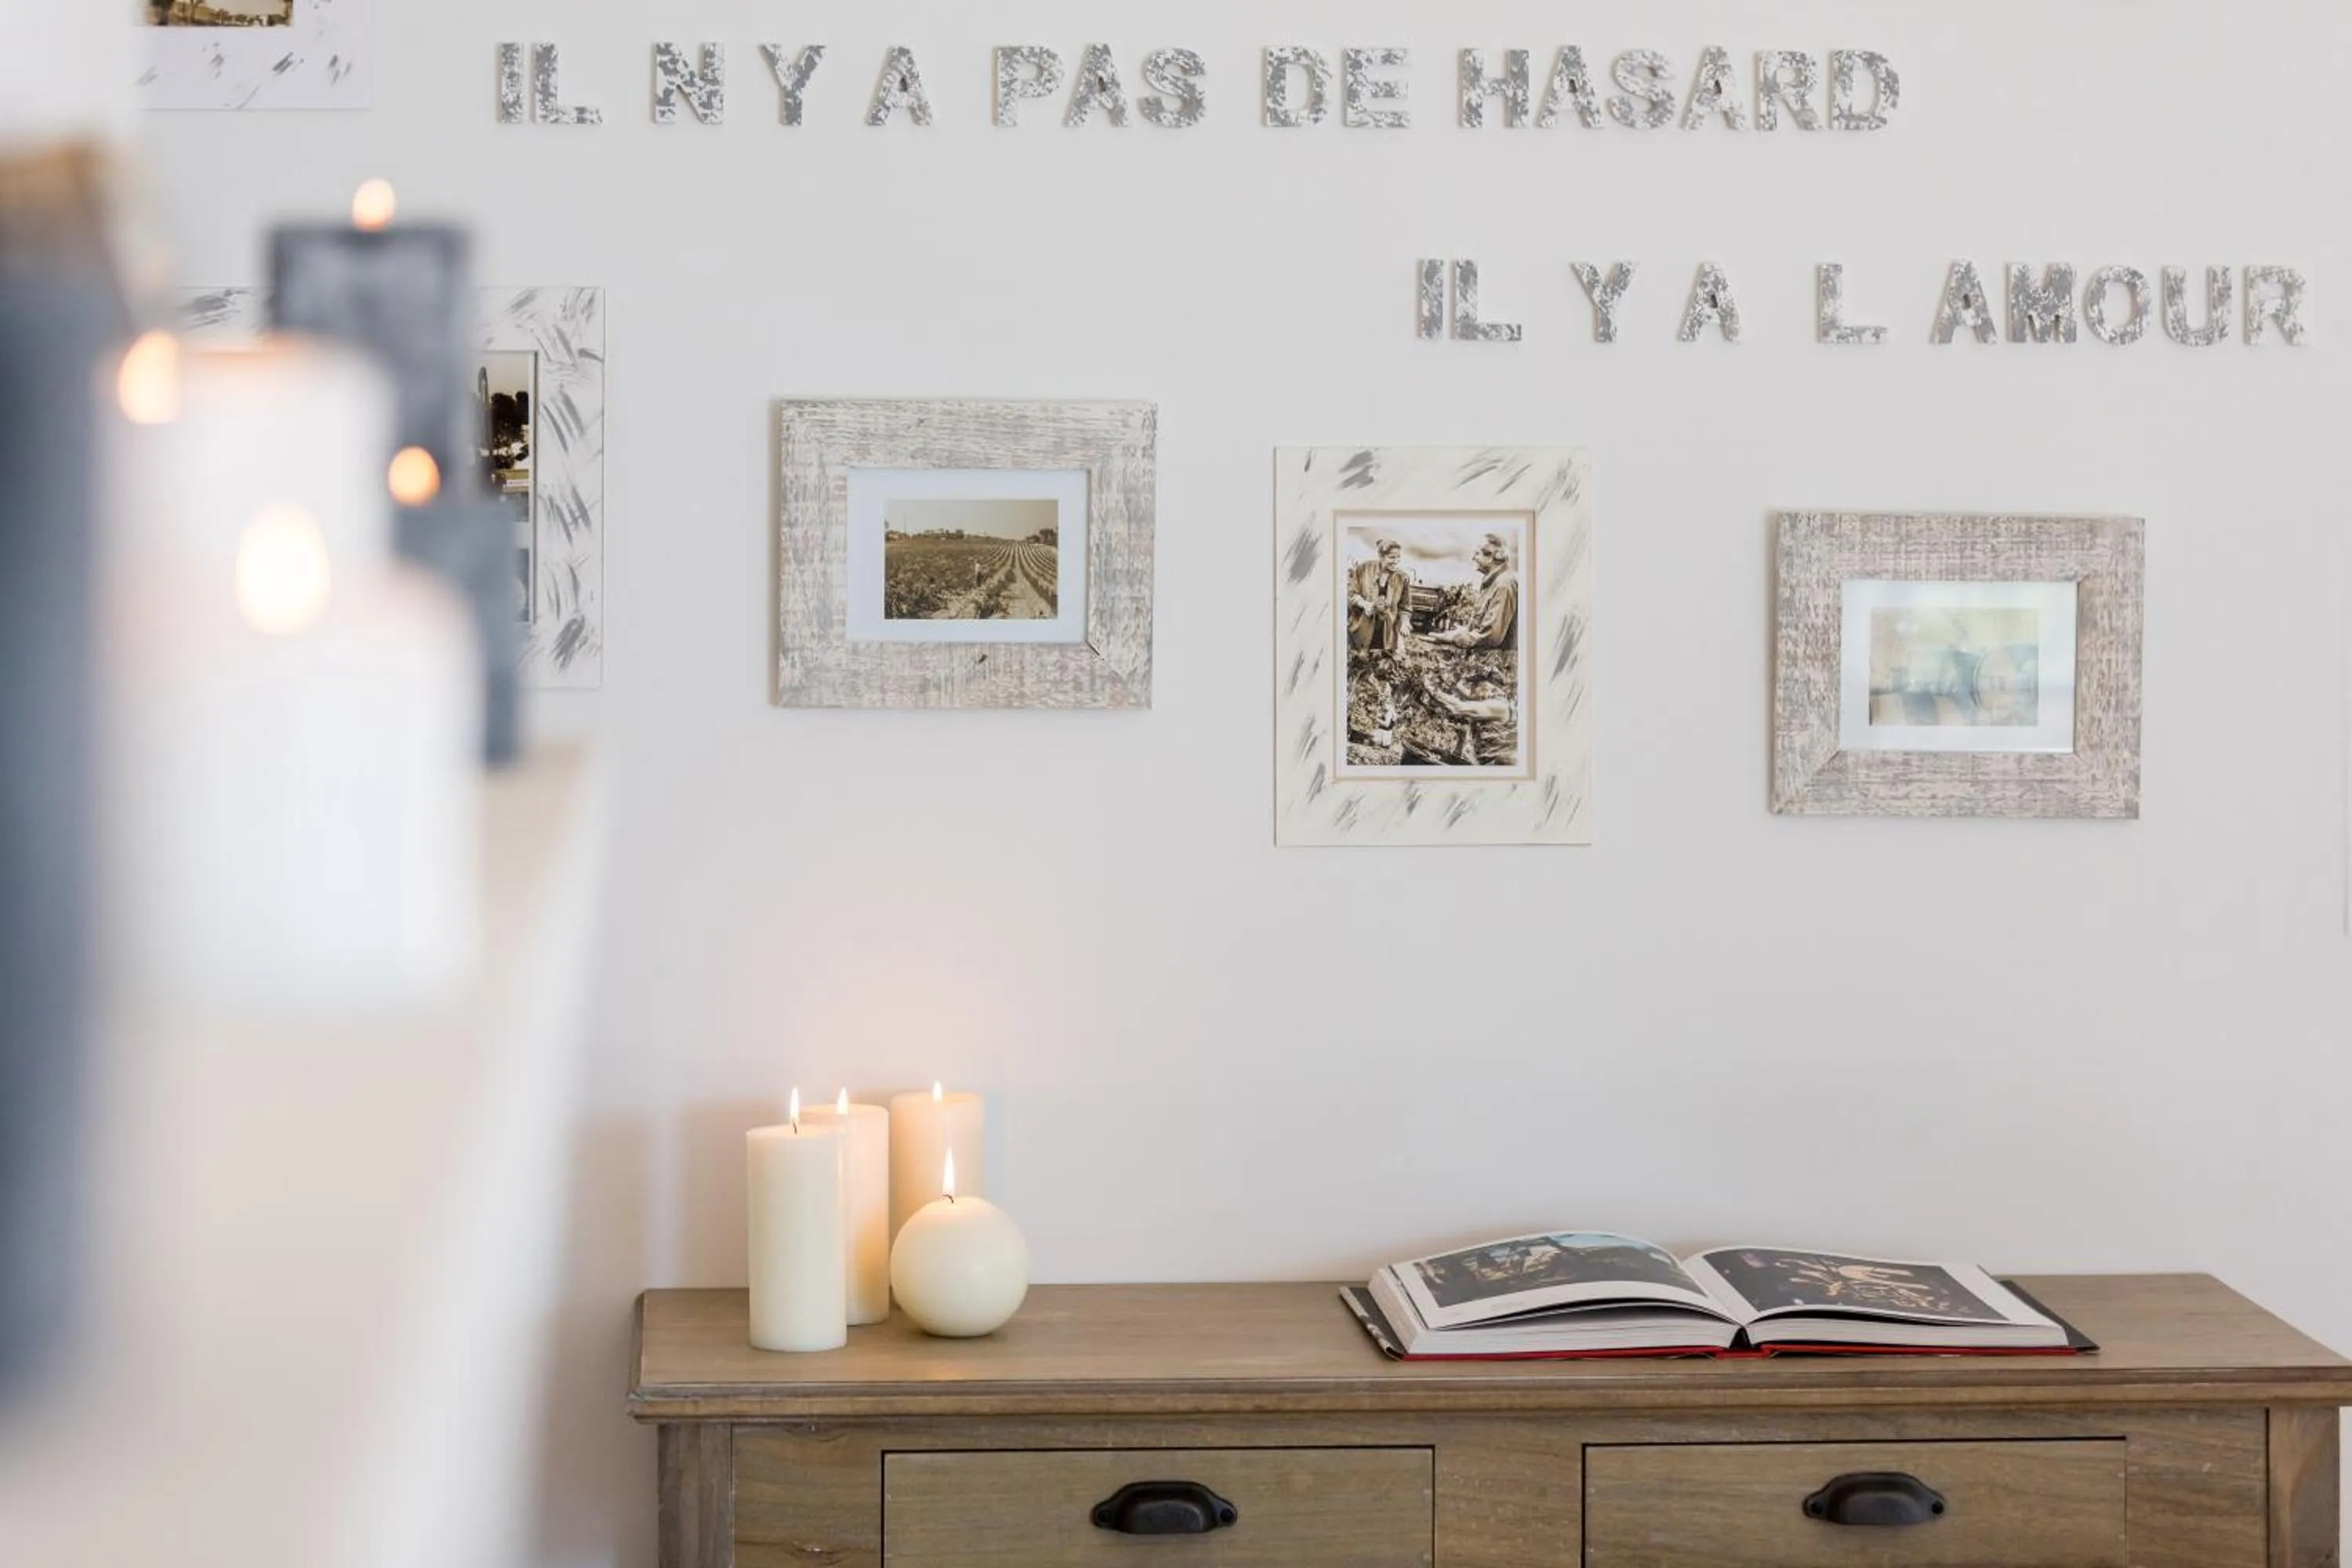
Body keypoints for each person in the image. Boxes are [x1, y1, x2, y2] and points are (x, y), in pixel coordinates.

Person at [1423, 533, 1519, 652]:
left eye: (1477, 553)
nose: (1473, 558)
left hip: (1503, 664)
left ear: (1492, 557)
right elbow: (1480, 627)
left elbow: (1491, 637)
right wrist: (1462, 631)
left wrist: (1454, 638)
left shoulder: (1504, 584)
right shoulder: (1492, 583)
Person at [1346, 539, 1411, 654]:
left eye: (1398, 557)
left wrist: (1405, 623)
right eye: (1392, 557)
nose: (1396, 561)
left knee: (1382, 664)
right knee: (1359, 661)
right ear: (1381, 556)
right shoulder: (1363, 569)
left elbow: (1405, 607)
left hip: (1387, 634)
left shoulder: (1403, 578)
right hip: (1362, 630)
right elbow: (1351, 594)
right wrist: (1365, 604)